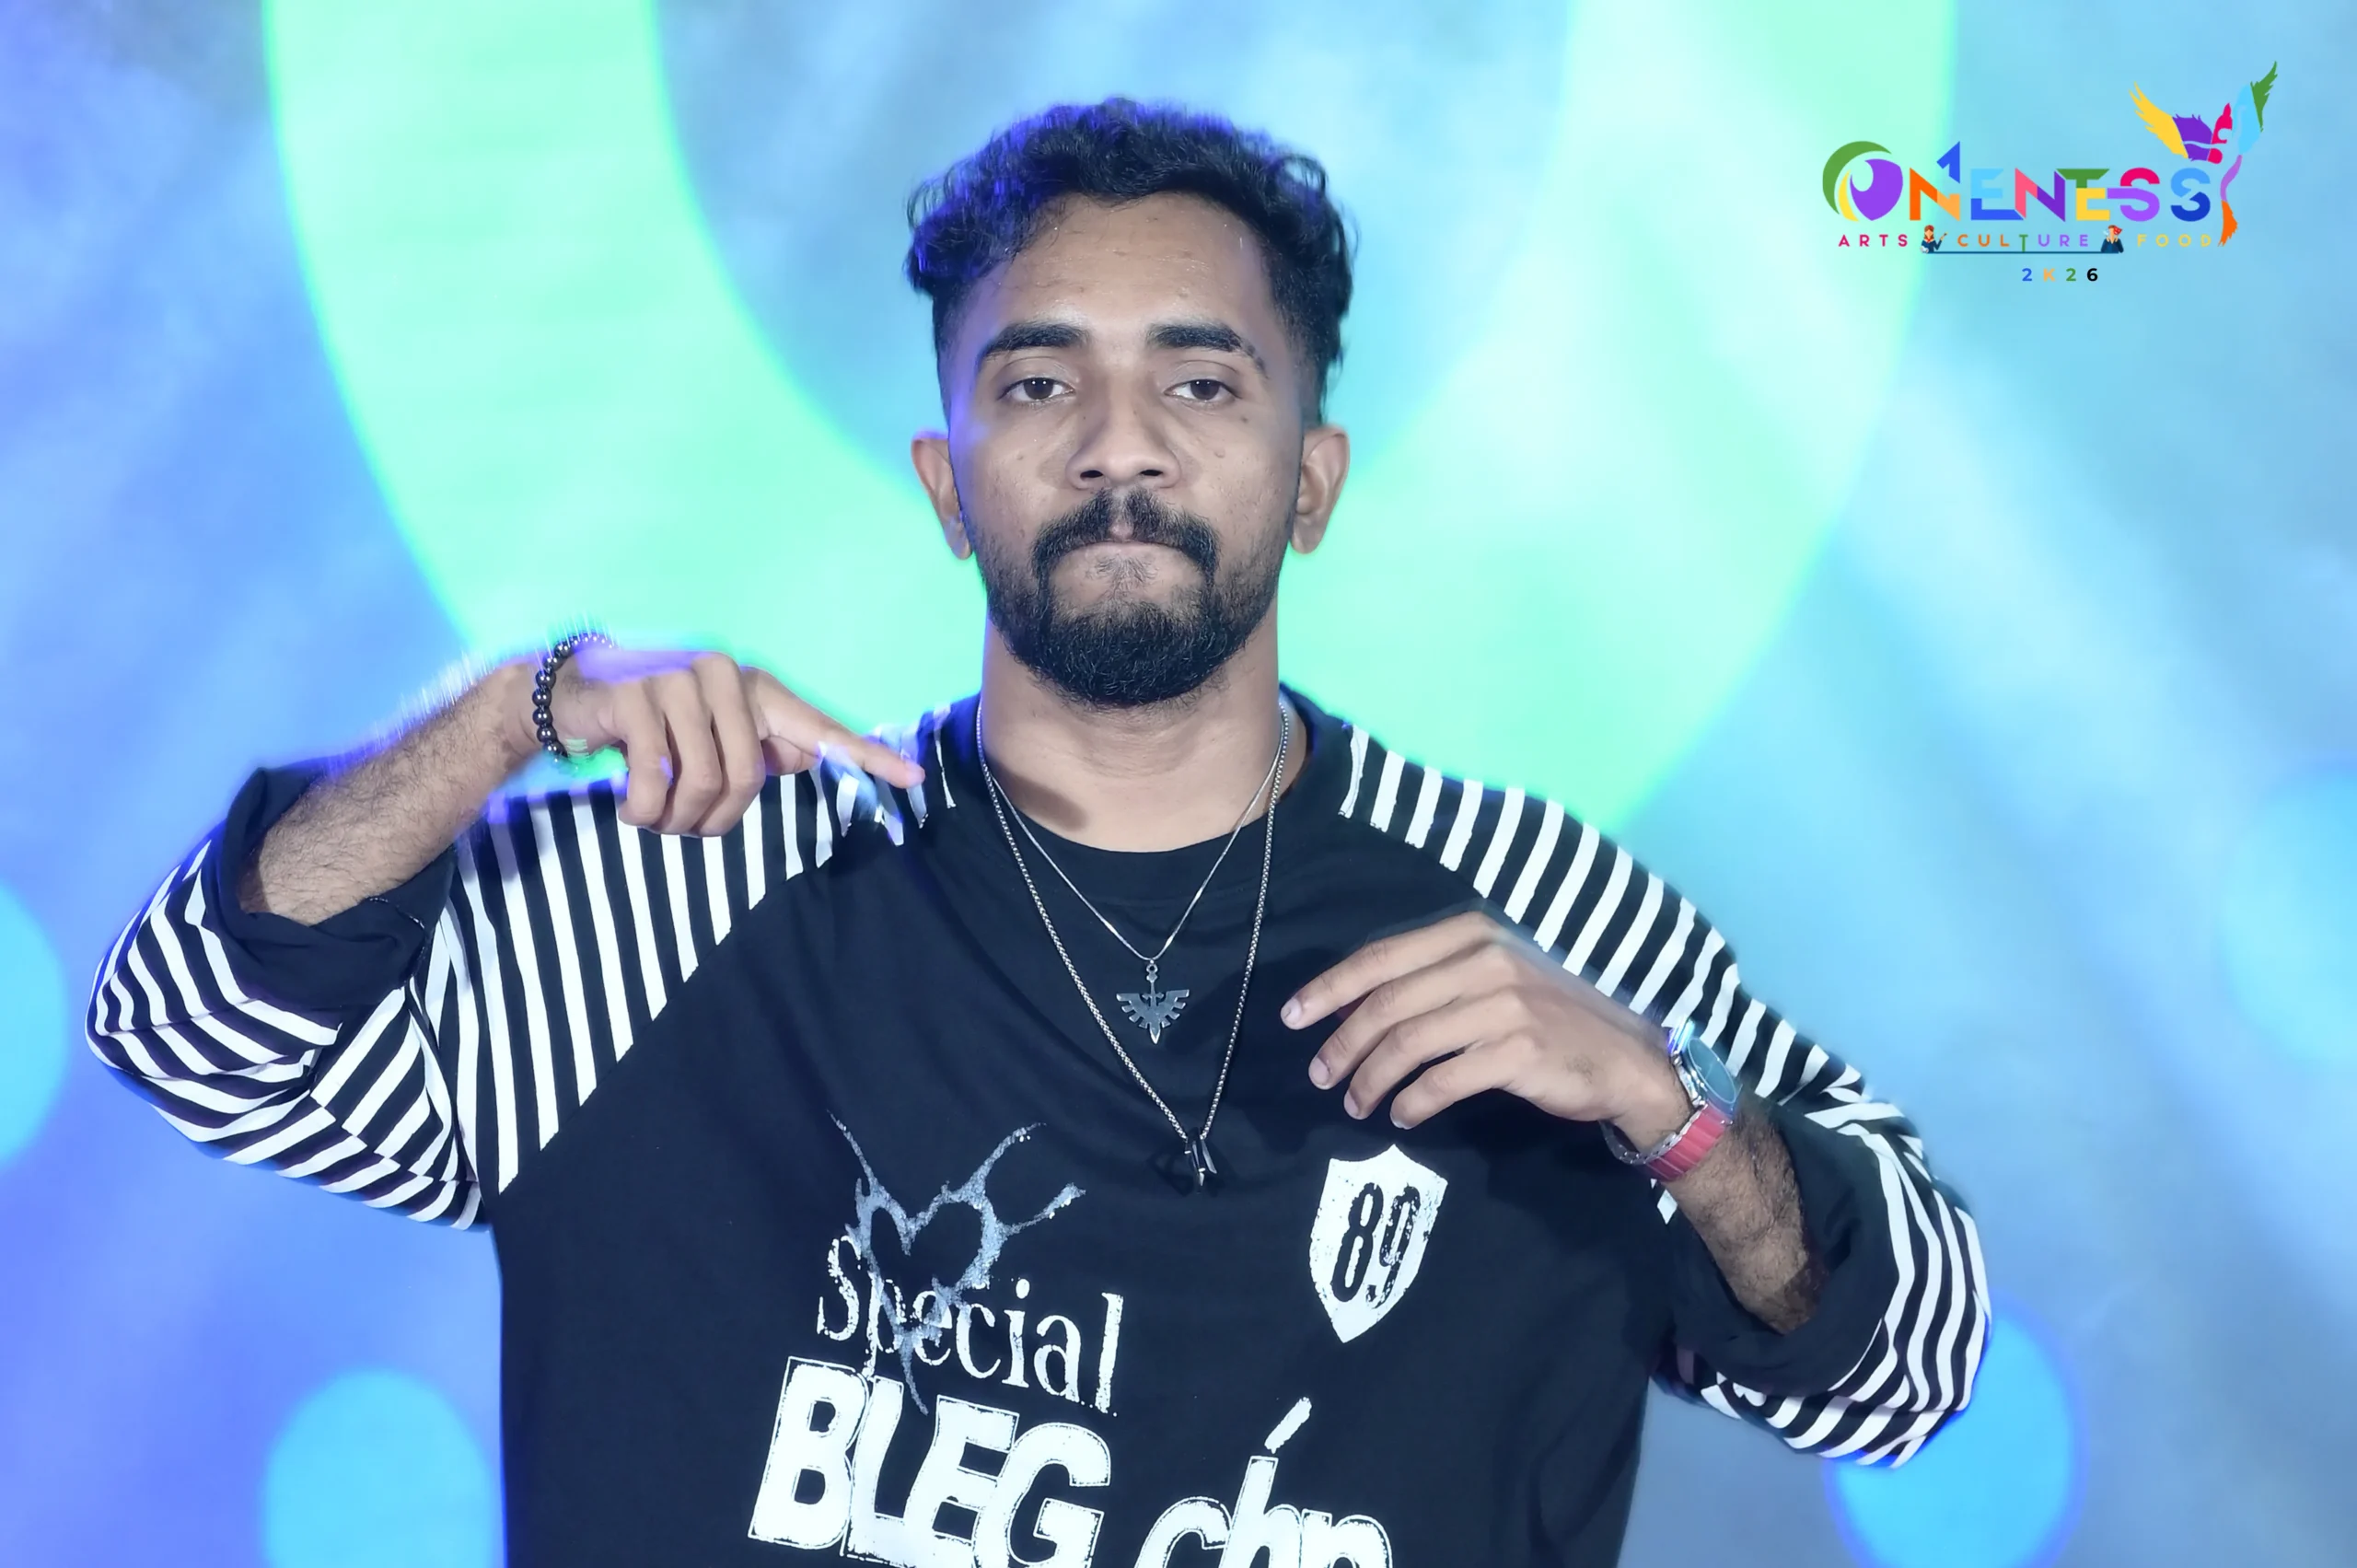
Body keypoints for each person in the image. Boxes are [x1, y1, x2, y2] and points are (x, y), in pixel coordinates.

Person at [88, 99, 1985, 1567]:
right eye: (1037, 380)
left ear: (1310, 480)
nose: (1118, 442)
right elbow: (190, 1029)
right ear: (947, 480)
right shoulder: (688, 884)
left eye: (1200, 380)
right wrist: (519, 707)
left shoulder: (1538, 922)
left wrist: (1669, 1109)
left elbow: (1903, 1375)